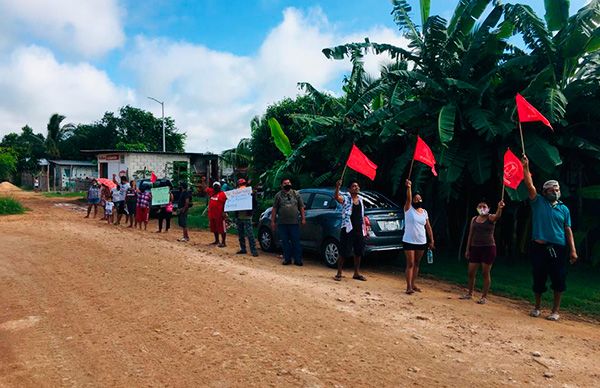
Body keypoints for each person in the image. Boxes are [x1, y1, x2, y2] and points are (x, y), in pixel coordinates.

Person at [522, 156, 577, 321]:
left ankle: (555, 311)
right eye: (552, 190)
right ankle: (537, 307)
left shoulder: (564, 209)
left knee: (558, 278)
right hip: (539, 247)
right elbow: (529, 185)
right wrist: (526, 167)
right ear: (545, 192)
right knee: (539, 277)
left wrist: (573, 250)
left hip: (558, 248)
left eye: (557, 189)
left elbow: (568, 229)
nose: (555, 192)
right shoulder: (538, 202)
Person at [460, 200, 505, 304]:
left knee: (485, 272)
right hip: (475, 247)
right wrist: (467, 249)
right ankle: (469, 293)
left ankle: (484, 297)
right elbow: (470, 234)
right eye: (480, 206)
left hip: (488, 248)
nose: (482, 208)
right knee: (471, 272)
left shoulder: (490, 217)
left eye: (484, 206)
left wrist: (499, 208)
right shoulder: (474, 219)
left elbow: (497, 216)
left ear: (488, 208)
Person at [402, 179, 435, 294]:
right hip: (409, 240)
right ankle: (408, 286)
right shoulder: (408, 209)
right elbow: (408, 198)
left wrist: (431, 240)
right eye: (416, 199)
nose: (418, 200)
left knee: (416, 263)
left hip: (421, 241)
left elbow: (428, 227)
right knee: (410, 263)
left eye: (419, 199)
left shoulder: (424, 212)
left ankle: (413, 283)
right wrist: (409, 187)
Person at [333, 179, 368, 281]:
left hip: (359, 228)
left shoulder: (361, 199)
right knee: (344, 250)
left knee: (358, 251)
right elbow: (336, 197)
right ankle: (339, 273)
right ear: (349, 189)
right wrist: (337, 188)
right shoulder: (346, 198)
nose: (356, 187)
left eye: (357, 186)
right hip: (348, 228)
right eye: (354, 186)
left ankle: (356, 273)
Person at [271, 178, 305, 266]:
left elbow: (301, 207)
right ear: (281, 185)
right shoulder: (278, 196)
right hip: (282, 223)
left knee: (296, 242)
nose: (287, 184)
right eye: (285, 183)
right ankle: (287, 259)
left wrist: (303, 218)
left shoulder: (296, 194)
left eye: (289, 183)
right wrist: (273, 221)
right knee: (285, 242)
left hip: (294, 222)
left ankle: (298, 260)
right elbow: (274, 209)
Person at [234, 178, 258, 257]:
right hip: (240, 216)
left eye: (243, 184)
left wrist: (252, 211)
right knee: (241, 234)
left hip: (247, 216)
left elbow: (255, 204)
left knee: (249, 234)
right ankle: (243, 249)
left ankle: (253, 250)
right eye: (241, 184)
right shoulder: (236, 193)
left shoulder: (250, 193)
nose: (242, 186)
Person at [208, 181, 228, 247]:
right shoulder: (212, 193)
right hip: (212, 215)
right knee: (214, 228)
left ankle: (223, 242)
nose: (216, 187)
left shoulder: (223, 194)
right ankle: (217, 240)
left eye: (217, 186)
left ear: (220, 187)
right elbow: (205, 188)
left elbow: (226, 203)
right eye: (215, 186)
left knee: (222, 229)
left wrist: (225, 212)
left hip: (220, 215)